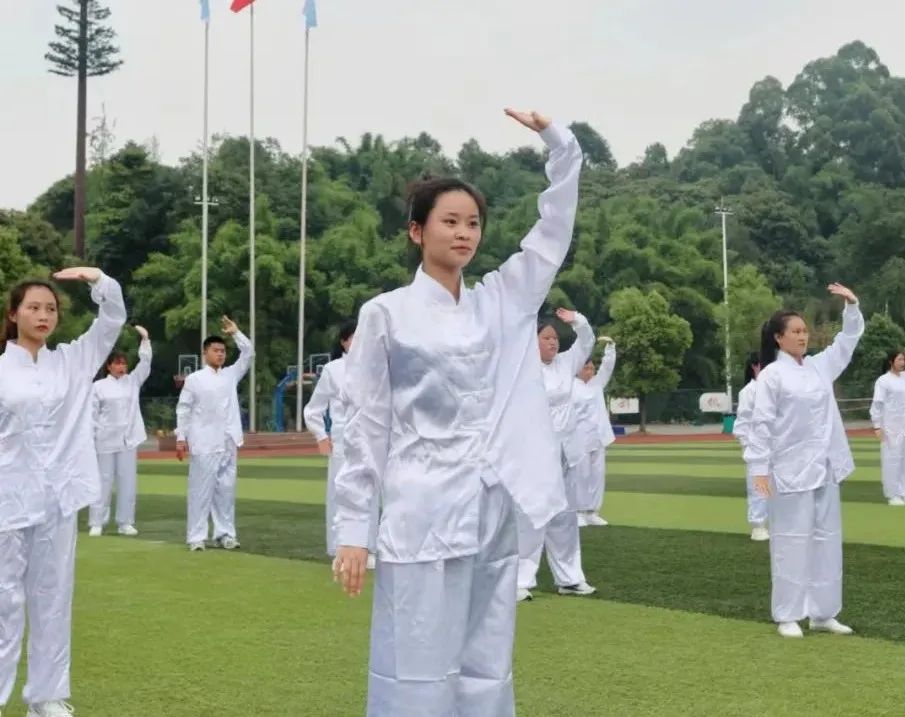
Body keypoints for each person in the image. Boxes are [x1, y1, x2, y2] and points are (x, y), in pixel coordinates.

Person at [331, 109, 582, 717]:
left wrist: (561, 145)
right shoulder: (385, 314)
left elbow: (552, 234)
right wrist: (353, 532)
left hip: (491, 505)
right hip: (421, 506)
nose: (464, 233)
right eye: (449, 221)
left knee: (486, 662)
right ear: (417, 232)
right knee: (414, 659)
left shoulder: (502, 300)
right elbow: (365, 427)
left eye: (473, 223)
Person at [0, 267, 126, 717]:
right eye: (33, 307)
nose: (43, 315)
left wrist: (99, 280)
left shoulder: (73, 361)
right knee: (3, 602)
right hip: (8, 501)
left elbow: (112, 319)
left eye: (50, 308)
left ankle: (46, 697)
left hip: (57, 500)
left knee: (53, 597)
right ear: (13, 314)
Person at [745, 283, 863, 639]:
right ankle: (788, 614)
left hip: (825, 467)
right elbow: (761, 425)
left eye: (804, 331)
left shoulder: (818, 367)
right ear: (779, 339)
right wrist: (760, 470)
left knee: (828, 541)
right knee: (791, 541)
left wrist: (852, 307)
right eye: (795, 331)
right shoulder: (772, 376)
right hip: (790, 471)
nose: (803, 336)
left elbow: (846, 343)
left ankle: (823, 613)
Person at [516, 310, 597, 602]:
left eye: (554, 338)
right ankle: (520, 580)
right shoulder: (522, 367)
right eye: (546, 337)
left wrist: (578, 320)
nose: (552, 343)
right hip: (535, 453)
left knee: (565, 517)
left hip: (567, 452)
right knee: (532, 516)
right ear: (532, 340)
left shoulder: (566, 362)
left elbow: (587, 342)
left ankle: (570, 578)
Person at [303, 320, 378, 568]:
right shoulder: (333, 370)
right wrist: (321, 437)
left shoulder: (377, 367)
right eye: (354, 337)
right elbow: (313, 409)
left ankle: (369, 548)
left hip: (371, 441)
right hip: (343, 441)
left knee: (371, 494)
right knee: (341, 494)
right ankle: (340, 548)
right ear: (344, 341)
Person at [175, 316, 254, 552]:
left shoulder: (230, 374)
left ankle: (225, 534)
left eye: (222, 351)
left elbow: (248, 353)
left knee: (226, 492)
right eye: (215, 350)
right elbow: (184, 409)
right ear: (205, 353)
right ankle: (196, 537)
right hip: (204, 442)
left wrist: (236, 332)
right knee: (200, 491)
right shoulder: (195, 379)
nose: (220, 354)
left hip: (229, 441)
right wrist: (181, 437)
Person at [88, 325, 152, 537]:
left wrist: (145, 340)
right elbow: (91, 415)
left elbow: (146, 363)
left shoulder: (132, 382)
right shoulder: (98, 387)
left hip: (128, 439)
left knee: (127, 481)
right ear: (108, 366)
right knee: (103, 481)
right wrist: (92, 436)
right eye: (117, 363)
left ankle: (125, 522)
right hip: (104, 440)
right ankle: (97, 521)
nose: (122, 367)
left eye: (124, 363)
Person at [571, 336, 617, 527]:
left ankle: (592, 511)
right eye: (586, 368)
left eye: (591, 368)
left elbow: (607, 366)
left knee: (597, 475)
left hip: (598, 437)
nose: (590, 371)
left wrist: (610, 347)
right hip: (579, 438)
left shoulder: (597, 384)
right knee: (580, 476)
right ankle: (578, 511)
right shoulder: (570, 385)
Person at [732, 352, 769, 541]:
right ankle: (758, 526)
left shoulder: (777, 388)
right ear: (755, 367)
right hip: (758, 446)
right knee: (758, 487)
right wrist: (747, 446)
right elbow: (743, 422)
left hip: (781, 445)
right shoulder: (749, 391)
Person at [869, 349, 905, 505]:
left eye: (903, 359)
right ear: (891, 361)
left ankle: (902, 490)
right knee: (892, 459)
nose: (902, 363)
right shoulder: (883, 381)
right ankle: (892, 494)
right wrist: (877, 426)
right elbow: (877, 404)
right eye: (899, 360)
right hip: (890, 426)